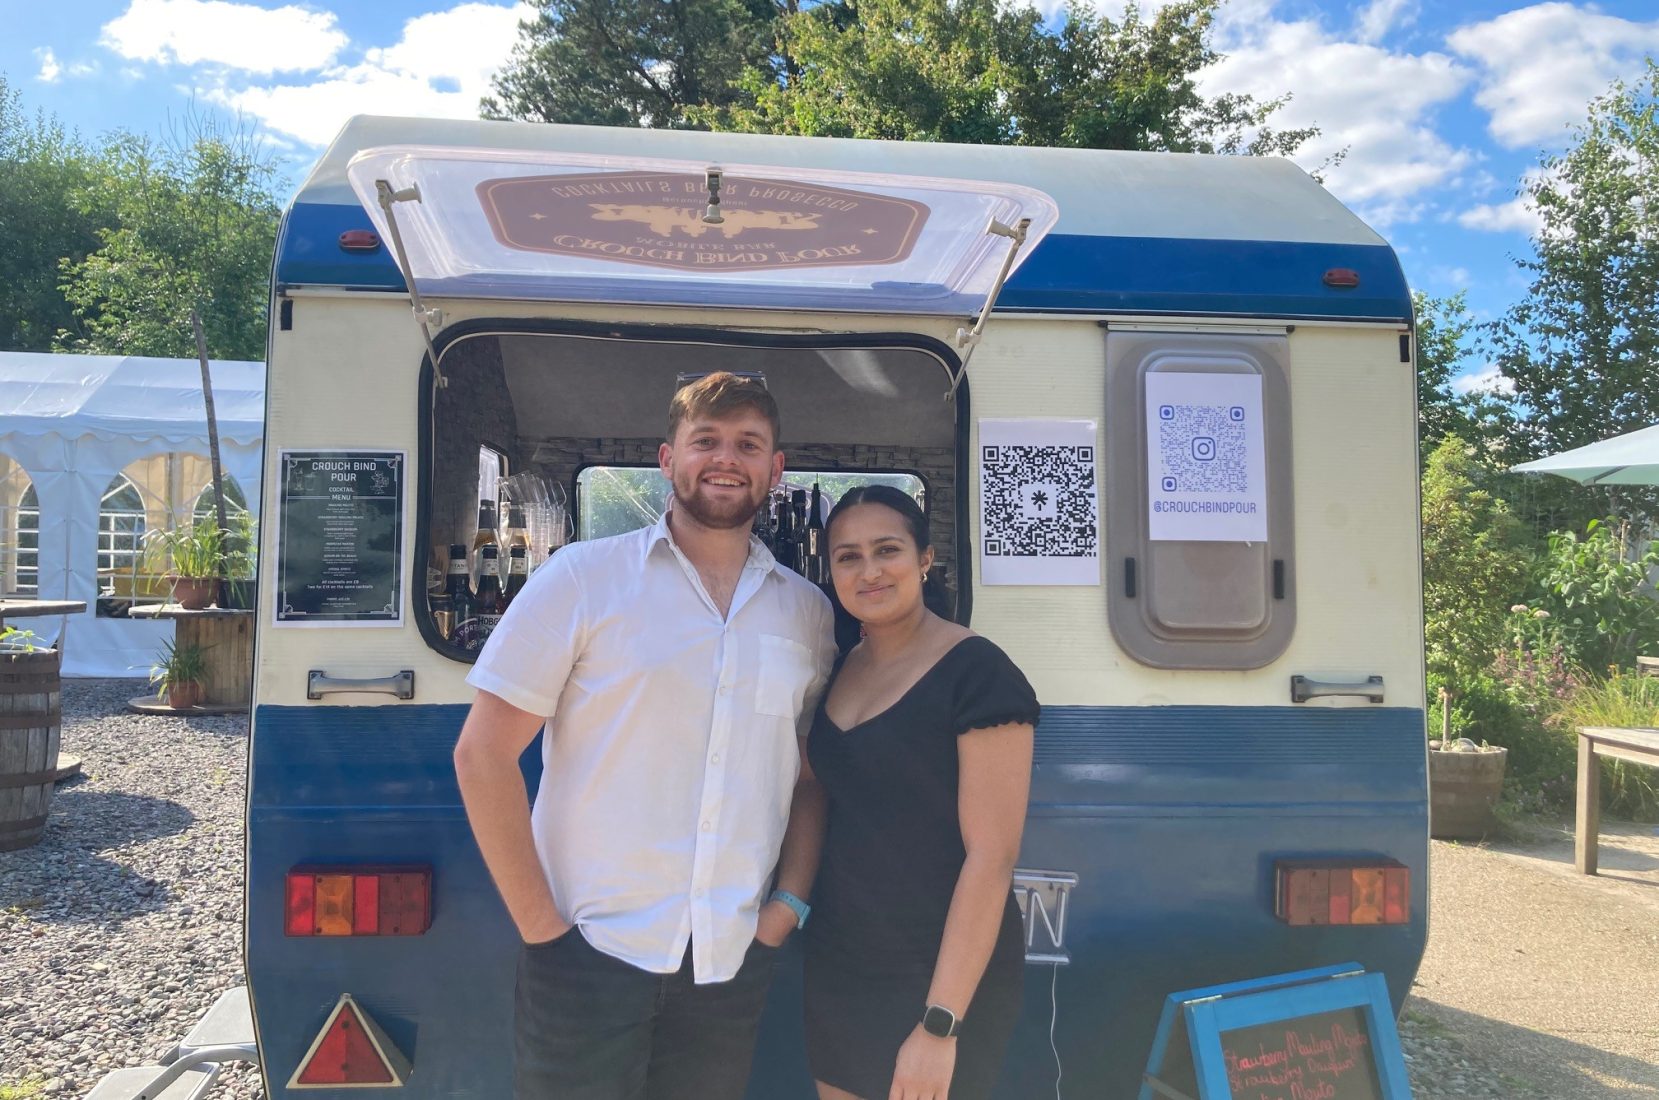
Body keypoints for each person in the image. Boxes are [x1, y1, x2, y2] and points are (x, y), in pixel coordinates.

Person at [453, 371, 837, 1100]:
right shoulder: (582, 579)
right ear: (667, 459)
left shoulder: (807, 613)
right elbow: (483, 755)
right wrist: (543, 933)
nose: (726, 459)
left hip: (728, 962)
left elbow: (808, 779)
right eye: (705, 441)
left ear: (775, 469)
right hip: (587, 956)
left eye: (748, 444)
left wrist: (785, 909)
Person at [804, 485, 1038, 1100]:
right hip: (844, 958)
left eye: (887, 550)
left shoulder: (978, 672)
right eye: (848, 556)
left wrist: (940, 1023)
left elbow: (992, 857)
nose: (869, 571)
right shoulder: (842, 666)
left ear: (925, 559)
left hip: (942, 970)